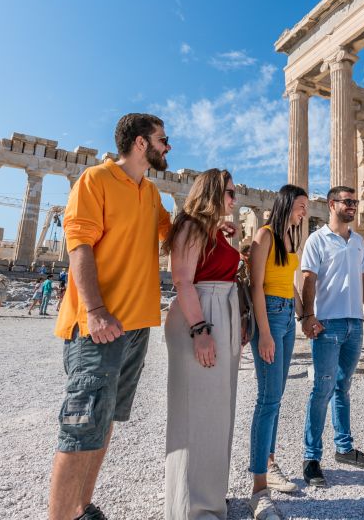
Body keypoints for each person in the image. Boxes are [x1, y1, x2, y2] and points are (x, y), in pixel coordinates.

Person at [48, 112, 172, 520]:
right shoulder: (95, 180)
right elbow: (79, 246)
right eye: (162, 140)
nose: (167, 147)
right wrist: (97, 311)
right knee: (81, 425)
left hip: (135, 325)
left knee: (104, 422)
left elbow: (171, 236)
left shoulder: (150, 193)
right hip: (97, 326)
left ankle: (81, 508)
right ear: (141, 143)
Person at [163, 168, 243, 520]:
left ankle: (211, 498)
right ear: (211, 192)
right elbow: (183, 281)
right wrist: (200, 330)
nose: (234, 199)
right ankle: (191, 509)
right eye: (228, 192)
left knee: (218, 410)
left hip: (220, 313)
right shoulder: (190, 227)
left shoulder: (213, 231)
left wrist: (231, 238)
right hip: (203, 316)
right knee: (196, 411)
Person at [298, 185, 364, 488]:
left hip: (354, 324)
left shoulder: (357, 241)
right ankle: (311, 457)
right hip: (328, 324)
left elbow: (363, 279)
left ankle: (344, 448)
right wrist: (308, 316)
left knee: (343, 388)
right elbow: (309, 280)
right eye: (348, 202)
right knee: (321, 389)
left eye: (355, 202)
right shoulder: (317, 240)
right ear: (332, 204)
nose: (353, 207)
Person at [245, 184, 308, 518]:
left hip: (286, 315)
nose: (304, 212)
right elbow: (256, 286)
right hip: (268, 315)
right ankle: (259, 487)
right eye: (300, 205)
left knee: (276, 396)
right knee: (267, 399)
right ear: (286, 204)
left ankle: (269, 464)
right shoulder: (265, 235)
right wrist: (264, 334)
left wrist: (305, 316)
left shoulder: (290, 239)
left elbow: (289, 285)